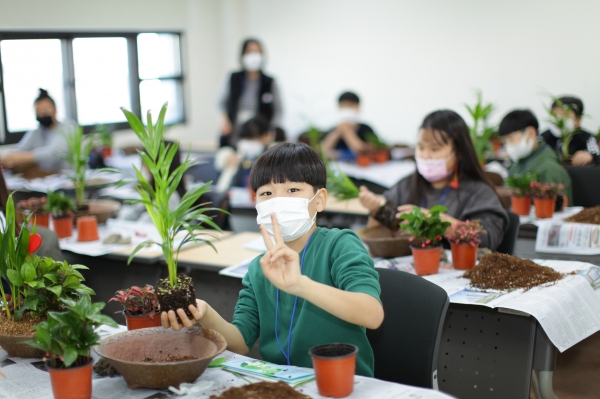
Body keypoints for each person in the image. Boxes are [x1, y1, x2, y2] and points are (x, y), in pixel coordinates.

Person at [162, 143, 384, 377]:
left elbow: (372, 314)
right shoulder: (260, 268)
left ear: (319, 200)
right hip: (283, 384)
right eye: (267, 193)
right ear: (256, 202)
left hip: (342, 384)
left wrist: (300, 285)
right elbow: (240, 343)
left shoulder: (339, 245)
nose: (278, 201)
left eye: (292, 190)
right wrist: (205, 314)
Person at [359, 110, 508, 251]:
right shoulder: (407, 185)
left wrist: (436, 221)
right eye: (421, 148)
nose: (426, 155)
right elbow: (379, 234)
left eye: (435, 149)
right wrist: (376, 209)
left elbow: (487, 239)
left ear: (459, 152)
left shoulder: (478, 192)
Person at [217, 38, 282, 148]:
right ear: (243, 55)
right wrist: (225, 122)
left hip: (260, 137)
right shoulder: (233, 78)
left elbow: (278, 110)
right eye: (250, 52)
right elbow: (219, 104)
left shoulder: (269, 82)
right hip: (234, 135)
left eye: (257, 52)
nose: (253, 56)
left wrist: (271, 130)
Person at [499, 110, 573, 203]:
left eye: (511, 139)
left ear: (530, 133)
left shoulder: (549, 168)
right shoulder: (516, 164)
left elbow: (555, 208)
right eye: (504, 142)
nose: (508, 146)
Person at [0, 89, 75, 171]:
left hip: (71, 178)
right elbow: (20, 148)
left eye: (46, 110)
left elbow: (55, 153)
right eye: (38, 112)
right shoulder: (36, 132)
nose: (43, 114)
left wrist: (21, 158)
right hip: (47, 179)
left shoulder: (68, 127)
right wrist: (6, 158)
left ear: (55, 109)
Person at [214, 116, 273, 192]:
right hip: (231, 197)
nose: (248, 144)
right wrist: (227, 158)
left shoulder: (272, 158)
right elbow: (221, 157)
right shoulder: (235, 155)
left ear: (266, 136)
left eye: (253, 139)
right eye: (245, 139)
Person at [539, 96, 600, 166]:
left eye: (564, 114)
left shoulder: (588, 138)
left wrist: (591, 156)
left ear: (578, 120)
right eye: (555, 114)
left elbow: (597, 153)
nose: (559, 119)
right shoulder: (543, 138)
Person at [321, 91, 379, 161]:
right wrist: (338, 131)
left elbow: (364, 151)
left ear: (358, 108)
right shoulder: (332, 130)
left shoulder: (366, 129)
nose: (346, 110)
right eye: (343, 106)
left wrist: (346, 131)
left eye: (350, 106)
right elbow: (322, 151)